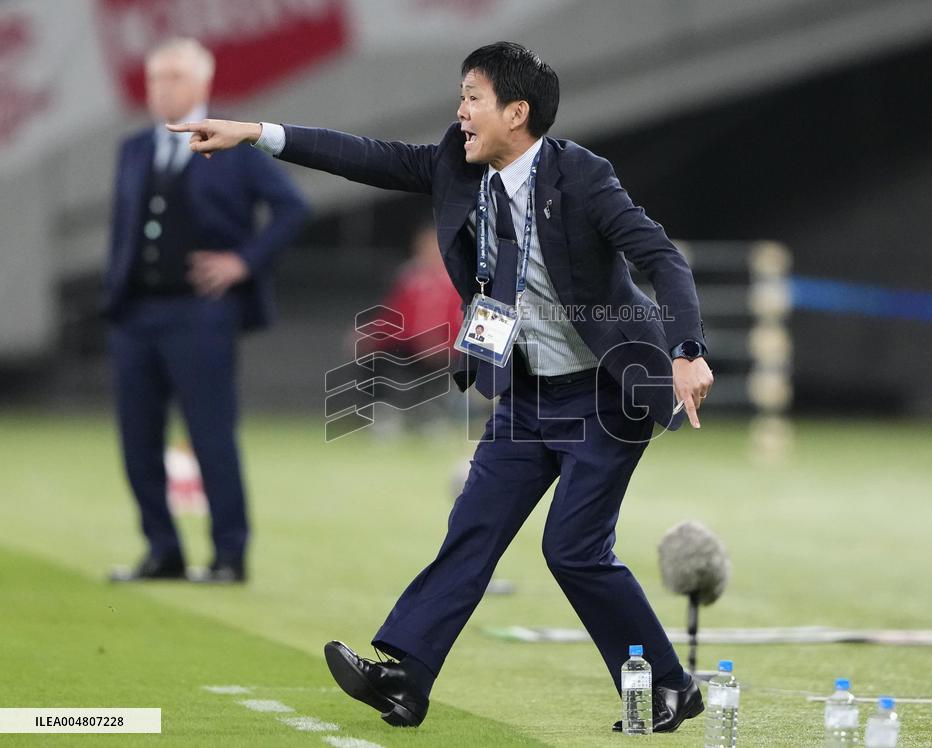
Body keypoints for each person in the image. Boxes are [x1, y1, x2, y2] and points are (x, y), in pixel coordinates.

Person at [169, 41, 713, 730]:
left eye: (472, 98)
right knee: (472, 528)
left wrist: (686, 351)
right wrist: (255, 133)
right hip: (528, 393)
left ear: (516, 112)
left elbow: (661, 258)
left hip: (606, 392)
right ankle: (407, 677)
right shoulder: (457, 165)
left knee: (572, 549)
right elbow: (363, 155)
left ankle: (669, 685)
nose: (460, 112)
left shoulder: (581, 176)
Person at [105, 38, 308, 584]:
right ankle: (162, 550)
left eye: (173, 76)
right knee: (137, 440)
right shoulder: (133, 148)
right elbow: (124, 230)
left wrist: (244, 262)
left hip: (200, 314)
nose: (161, 88)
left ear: (201, 83)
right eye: (155, 77)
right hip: (136, 314)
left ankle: (228, 555)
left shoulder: (230, 143)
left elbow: (292, 207)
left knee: (211, 436)